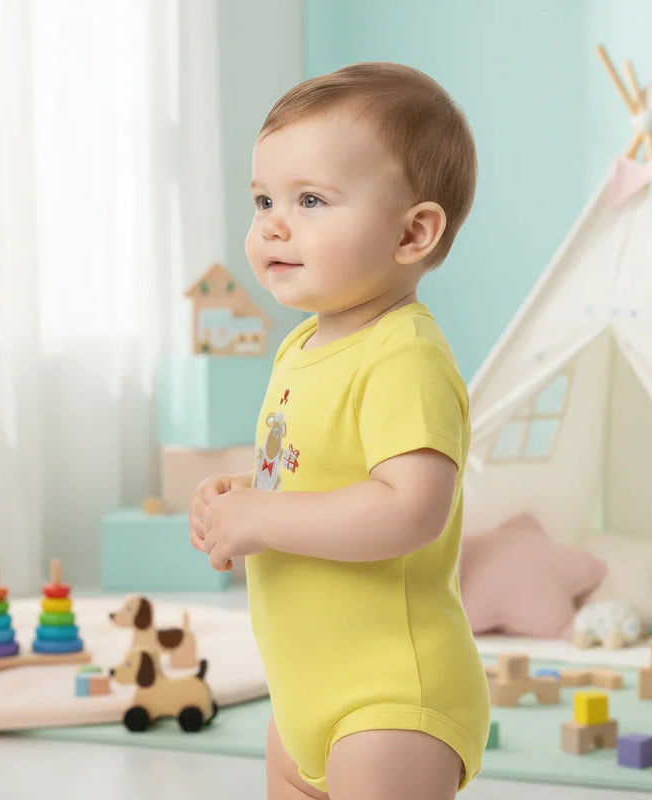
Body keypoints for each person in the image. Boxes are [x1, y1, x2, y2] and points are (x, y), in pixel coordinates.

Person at [189, 62, 490, 800]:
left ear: (413, 232)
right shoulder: (302, 347)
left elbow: (410, 508)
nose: (273, 224)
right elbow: (310, 474)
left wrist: (263, 515)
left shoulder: (404, 355)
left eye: (311, 199)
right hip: (301, 692)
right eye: (263, 199)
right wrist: (244, 493)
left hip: (388, 700)